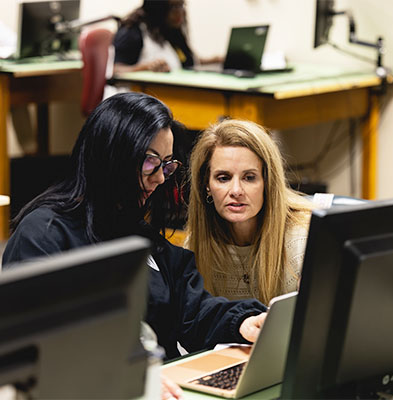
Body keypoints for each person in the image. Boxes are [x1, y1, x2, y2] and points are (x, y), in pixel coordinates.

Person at [2, 93, 266, 399]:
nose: (159, 179)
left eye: (167, 165)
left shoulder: (135, 232)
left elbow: (193, 310)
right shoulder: (44, 234)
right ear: (112, 156)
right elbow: (35, 345)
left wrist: (245, 321)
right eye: (150, 162)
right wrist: (129, 375)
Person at [186, 119, 315, 305]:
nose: (236, 190)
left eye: (249, 177)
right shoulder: (196, 246)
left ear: (267, 183)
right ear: (206, 185)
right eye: (223, 178)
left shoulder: (304, 241)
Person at [113, 0, 221, 73]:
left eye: (181, 5)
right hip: (136, 102)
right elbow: (115, 71)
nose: (180, 12)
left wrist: (217, 59)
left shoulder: (170, 31)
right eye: (173, 6)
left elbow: (187, 61)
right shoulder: (133, 31)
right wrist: (144, 68)